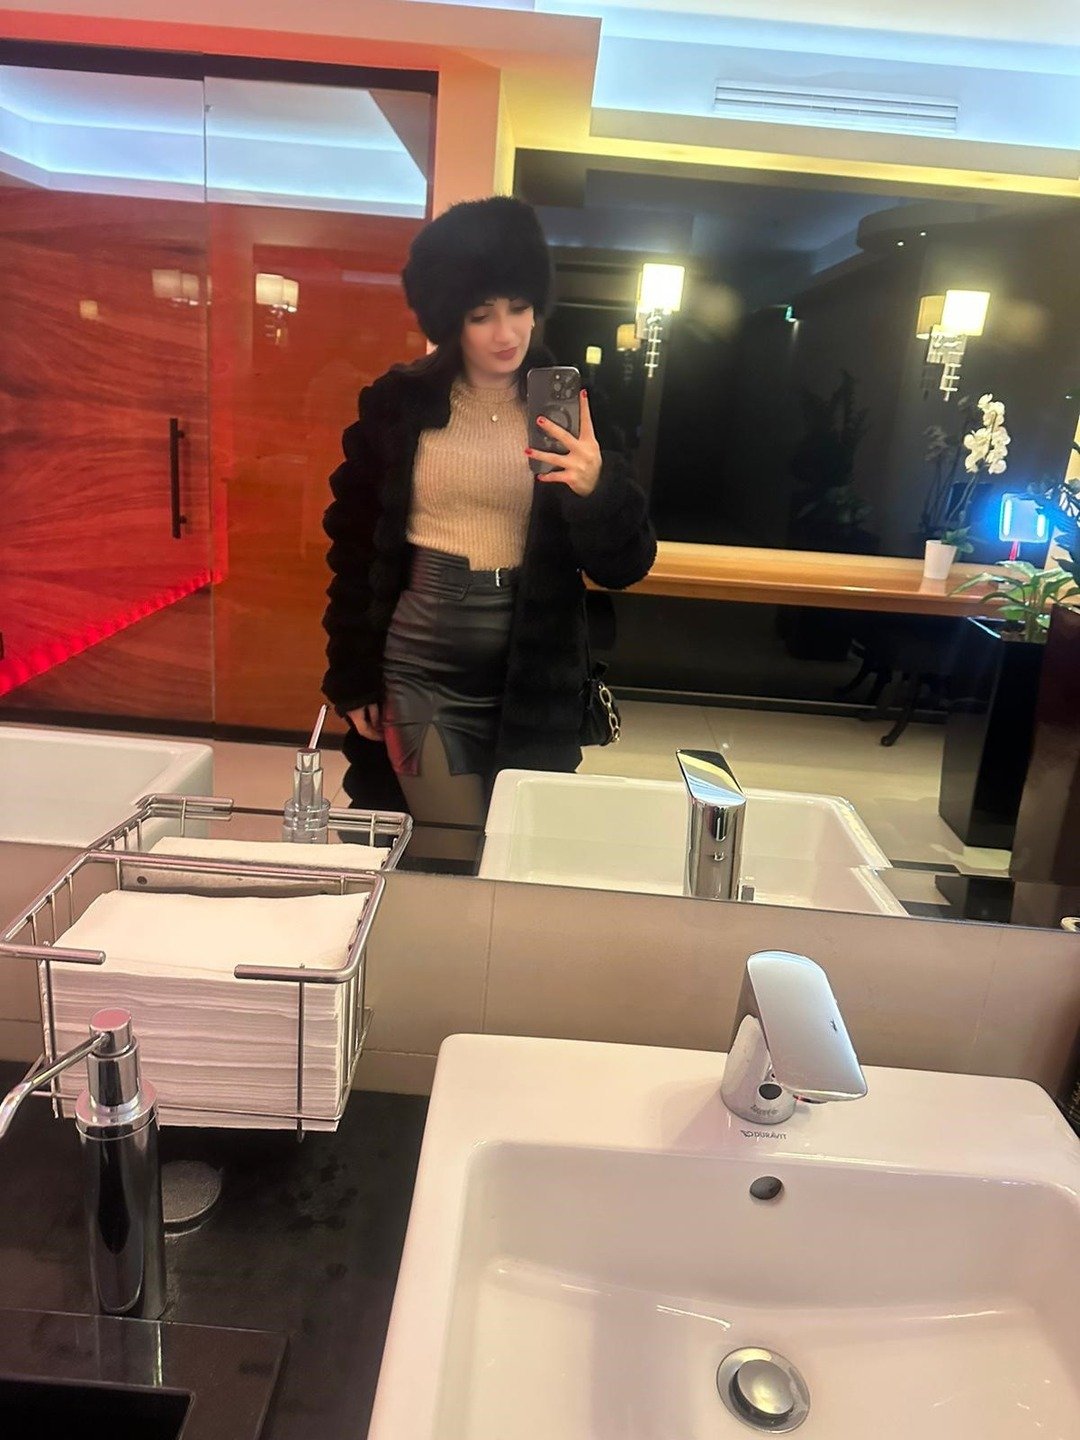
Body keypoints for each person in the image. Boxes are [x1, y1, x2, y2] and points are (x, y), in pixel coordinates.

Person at [321, 195, 656, 842]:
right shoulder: (398, 403)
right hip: (421, 662)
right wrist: (353, 673)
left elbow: (625, 564)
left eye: (520, 308)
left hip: (534, 666)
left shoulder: (569, 404)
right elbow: (354, 548)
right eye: (482, 315)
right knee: (450, 843)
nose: (507, 333)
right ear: (451, 317)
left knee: (515, 847)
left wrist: (596, 488)